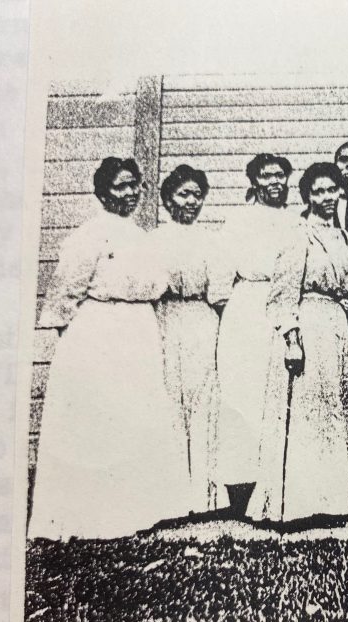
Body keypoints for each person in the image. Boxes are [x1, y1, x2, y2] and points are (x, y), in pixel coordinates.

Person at [30, 157, 187, 540]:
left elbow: (156, 284)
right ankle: (94, 515)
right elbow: (65, 293)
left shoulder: (140, 236)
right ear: (101, 193)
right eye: (120, 186)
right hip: (100, 332)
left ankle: (137, 509)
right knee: (102, 417)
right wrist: (75, 343)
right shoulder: (87, 236)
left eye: (135, 185)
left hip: (140, 332)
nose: (130, 193)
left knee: (136, 415)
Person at [249, 162, 348, 528]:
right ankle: (298, 503)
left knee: (333, 415)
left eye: (332, 191)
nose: (327, 198)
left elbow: (347, 288)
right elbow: (282, 294)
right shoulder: (299, 234)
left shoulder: (341, 235)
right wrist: (292, 340)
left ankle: (331, 500)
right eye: (319, 192)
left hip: (335, 330)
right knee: (306, 415)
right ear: (307, 196)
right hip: (308, 326)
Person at [210, 153, 300, 516]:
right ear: (254, 182)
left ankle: (273, 488)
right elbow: (220, 279)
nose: (275, 182)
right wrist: (236, 313)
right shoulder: (238, 220)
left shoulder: (297, 222)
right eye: (267, 176)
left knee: (276, 397)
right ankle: (239, 491)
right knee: (241, 396)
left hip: (285, 308)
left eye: (281, 176)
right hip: (247, 307)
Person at [151, 164, 221, 513]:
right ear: (168, 199)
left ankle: (204, 496)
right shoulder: (155, 240)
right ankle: (172, 497)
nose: (192, 202)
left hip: (202, 319)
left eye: (197, 195)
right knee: (169, 398)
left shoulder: (211, 239)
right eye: (184, 194)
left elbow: (220, 287)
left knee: (204, 400)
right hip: (167, 318)